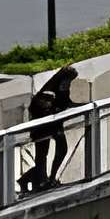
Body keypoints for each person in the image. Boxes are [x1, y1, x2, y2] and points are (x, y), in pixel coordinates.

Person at [25, 64, 78, 192]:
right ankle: (39, 180)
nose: (68, 84)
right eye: (67, 80)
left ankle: (50, 178)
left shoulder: (63, 89)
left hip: (55, 124)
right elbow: (40, 107)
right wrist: (53, 109)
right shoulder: (47, 91)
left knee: (61, 149)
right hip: (43, 126)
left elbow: (67, 102)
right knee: (42, 154)